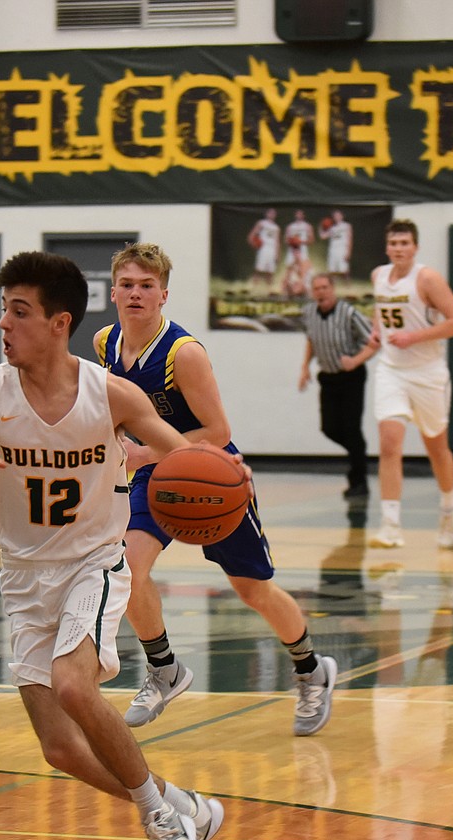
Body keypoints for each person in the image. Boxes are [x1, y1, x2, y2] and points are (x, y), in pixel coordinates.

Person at [0, 250, 222, 840]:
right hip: (23, 578)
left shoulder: (109, 394)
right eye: (3, 309)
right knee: (59, 750)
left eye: (19, 312)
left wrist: (227, 478)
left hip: (95, 562)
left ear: (59, 323)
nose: (4, 324)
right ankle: (183, 806)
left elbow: (185, 454)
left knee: (76, 687)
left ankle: (161, 826)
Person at [93, 243, 337, 737]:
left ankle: (312, 670)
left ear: (163, 295)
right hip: (151, 477)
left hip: (209, 476)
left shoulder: (184, 354)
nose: (136, 293)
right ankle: (164, 668)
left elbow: (217, 431)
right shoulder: (104, 343)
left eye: (146, 286)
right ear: (113, 291)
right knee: (127, 569)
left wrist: (146, 451)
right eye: (127, 284)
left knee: (254, 591)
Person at [368, 218, 453, 549]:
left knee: (436, 447)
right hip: (391, 370)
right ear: (386, 247)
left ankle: (449, 508)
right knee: (388, 443)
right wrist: (376, 331)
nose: (398, 249)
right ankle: (391, 525)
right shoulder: (378, 276)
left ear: (416, 247)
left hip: (427, 372)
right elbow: (382, 312)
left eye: (404, 243)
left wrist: (414, 336)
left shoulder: (427, 278)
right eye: (393, 243)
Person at [298, 273, 377, 500]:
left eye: (324, 287)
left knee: (352, 429)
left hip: (351, 378)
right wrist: (304, 367)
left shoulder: (349, 314)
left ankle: (359, 482)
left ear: (333, 289)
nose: (321, 292)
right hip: (328, 377)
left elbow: (374, 343)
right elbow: (311, 340)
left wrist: (356, 360)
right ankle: (358, 451)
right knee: (329, 428)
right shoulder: (309, 313)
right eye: (316, 288)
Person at [247, 208, 280, 290]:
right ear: (266, 214)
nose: (272, 215)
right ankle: (253, 288)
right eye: (270, 213)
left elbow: (277, 241)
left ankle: (269, 289)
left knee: (270, 272)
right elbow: (251, 235)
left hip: (272, 250)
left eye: (274, 213)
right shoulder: (261, 223)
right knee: (259, 270)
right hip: (263, 248)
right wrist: (253, 244)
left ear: (275, 215)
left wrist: (277, 254)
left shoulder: (276, 227)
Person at [319, 209, 353, 285]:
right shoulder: (332, 228)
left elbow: (350, 239)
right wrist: (321, 226)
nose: (337, 217)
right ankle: (332, 286)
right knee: (332, 270)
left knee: (344, 270)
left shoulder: (346, 226)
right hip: (333, 250)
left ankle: (348, 285)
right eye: (335, 216)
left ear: (342, 216)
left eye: (338, 215)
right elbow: (323, 236)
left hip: (342, 249)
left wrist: (348, 252)